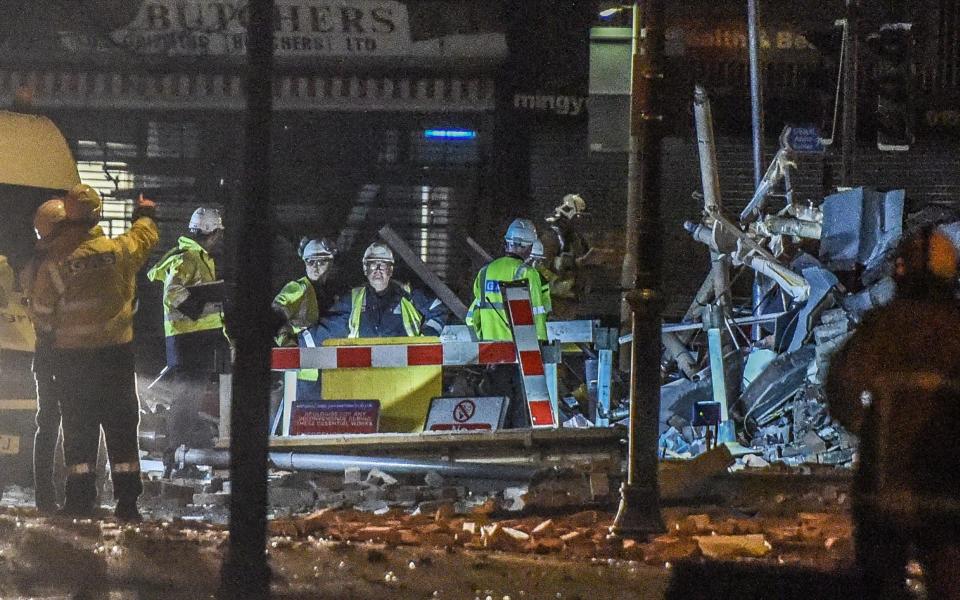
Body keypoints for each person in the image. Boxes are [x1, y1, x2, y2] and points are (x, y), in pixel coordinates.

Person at [826, 226, 960, 600]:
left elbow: (840, 387)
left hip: (881, 492)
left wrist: (865, 427)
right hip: (947, 493)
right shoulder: (956, 331)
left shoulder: (881, 328)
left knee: (880, 585)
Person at [30, 185, 158, 520]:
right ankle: (127, 502)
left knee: (78, 429)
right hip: (116, 357)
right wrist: (145, 213)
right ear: (98, 214)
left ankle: (79, 500)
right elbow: (144, 236)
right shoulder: (120, 251)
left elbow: (42, 315)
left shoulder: (57, 266)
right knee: (121, 429)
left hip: (73, 362)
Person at [147, 207, 227, 478]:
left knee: (189, 404)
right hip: (189, 341)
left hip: (195, 341)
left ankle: (181, 458)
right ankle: (177, 460)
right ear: (212, 232)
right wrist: (194, 309)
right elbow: (173, 292)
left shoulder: (197, 257)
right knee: (185, 403)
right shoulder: (189, 258)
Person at [466, 218, 551, 428]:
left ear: (507, 243)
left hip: (493, 355)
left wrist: (480, 350)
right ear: (529, 247)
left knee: (497, 411)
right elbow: (538, 316)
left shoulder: (485, 273)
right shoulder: (529, 274)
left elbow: (472, 317)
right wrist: (540, 350)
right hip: (523, 354)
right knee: (522, 412)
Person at [20, 198, 67, 513]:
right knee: (70, 424)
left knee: (47, 424)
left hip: (47, 353)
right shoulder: (53, 264)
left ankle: (46, 499)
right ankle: (70, 497)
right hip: (62, 352)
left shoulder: (34, 263)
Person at [320, 242, 446, 339]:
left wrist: (425, 342)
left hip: (405, 370)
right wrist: (301, 340)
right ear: (365, 269)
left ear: (390, 270)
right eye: (373, 264)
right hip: (364, 370)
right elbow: (329, 329)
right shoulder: (353, 299)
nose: (378, 270)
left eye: (383, 265)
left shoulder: (408, 295)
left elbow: (438, 311)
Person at [273, 237, 338, 401]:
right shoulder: (298, 288)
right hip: (304, 373)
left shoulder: (332, 292)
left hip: (327, 368)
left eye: (321, 262)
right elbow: (274, 314)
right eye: (310, 262)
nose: (315, 267)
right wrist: (287, 344)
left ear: (330, 263)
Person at [542, 193, 592, 319]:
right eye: (578, 217)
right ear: (568, 215)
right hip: (554, 303)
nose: (580, 222)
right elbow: (541, 267)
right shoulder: (550, 237)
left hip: (570, 302)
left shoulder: (575, 239)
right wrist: (574, 262)